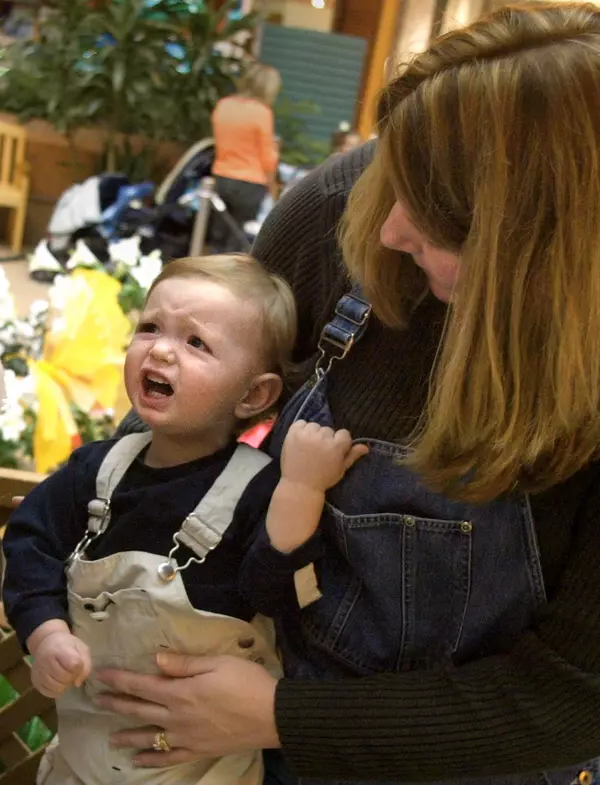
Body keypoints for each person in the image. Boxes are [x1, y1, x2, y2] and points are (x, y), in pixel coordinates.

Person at [96, 3, 600, 783]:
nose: (392, 230)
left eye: (437, 218)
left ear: (545, 254)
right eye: (394, 183)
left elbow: (574, 694)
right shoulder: (347, 201)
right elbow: (176, 428)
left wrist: (280, 714)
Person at [1, 254, 368, 784]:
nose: (162, 349)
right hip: (83, 762)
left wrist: (301, 490)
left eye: (196, 342)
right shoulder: (98, 471)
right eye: (149, 327)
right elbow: (29, 543)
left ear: (253, 395)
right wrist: (46, 633)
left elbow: (280, 596)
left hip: (201, 769)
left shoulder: (256, 489)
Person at [210, 64, 281, 253]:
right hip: (250, 183)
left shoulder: (224, 105)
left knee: (218, 235)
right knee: (237, 239)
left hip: (222, 176)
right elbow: (267, 157)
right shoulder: (262, 112)